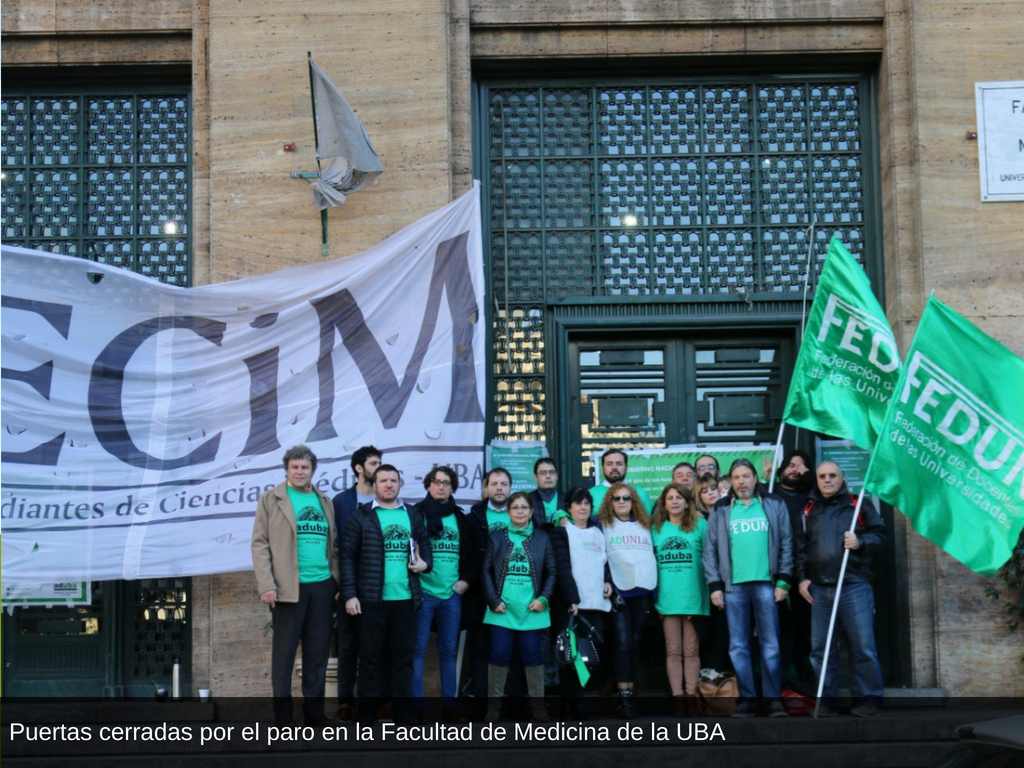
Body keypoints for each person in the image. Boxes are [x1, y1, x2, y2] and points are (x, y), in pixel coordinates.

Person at [251, 445, 339, 727]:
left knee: (317, 653)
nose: (300, 471)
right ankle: (284, 717)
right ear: (287, 470)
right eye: (294, 467)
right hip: (289, 588)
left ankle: (314, 715)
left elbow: (333, 545)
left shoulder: (324, 500)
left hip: (322, 587)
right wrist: (267, 584)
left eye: (305, 467)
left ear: (313, 470)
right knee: (284, 656)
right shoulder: (271, 499)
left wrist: (334, 580)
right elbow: (260, 544)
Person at [341, 464, 432, 724]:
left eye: (393, 480)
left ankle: (402, 715)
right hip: (371, 601)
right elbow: (347, 557)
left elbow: (424, 544)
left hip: (406, 600)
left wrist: (426, 564)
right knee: (369, 659)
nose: (389, 485)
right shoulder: (362, 516)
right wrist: (350, 594)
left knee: (403, 660)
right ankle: (367, 716)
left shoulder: (412, 514)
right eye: (383, 481)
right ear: (375, 485)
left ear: (400, 484)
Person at [703, 458, 793, 718]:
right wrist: (715, 586)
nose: (741, 481)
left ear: (755, 478)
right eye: (736, 477)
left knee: (771, 645)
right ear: (730, 481)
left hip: (767, 584)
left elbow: (787, 542)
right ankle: (748, 700)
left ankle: (774, 700)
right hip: (733, 588)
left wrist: (784, 580)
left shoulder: (774, 504)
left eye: (746, 476)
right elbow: (710, 551)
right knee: (738, 646)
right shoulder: (721, 509)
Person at [797, 461, 887, 718]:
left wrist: (861, 541)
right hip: (820, 590)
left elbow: (881, 536)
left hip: (854, 586)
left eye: (832, 475)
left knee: (863, 648)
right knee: (821, 651)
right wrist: (802, 578)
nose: (827, 480)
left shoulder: (857, 504)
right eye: (822, 476)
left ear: (842, 478)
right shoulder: (808, 508)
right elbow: (801, 548)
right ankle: (826, 702)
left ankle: (868, 701)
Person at [482, 491, 556, 722]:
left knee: (533, 657)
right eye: (516, 508)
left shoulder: (542, 538)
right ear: (508, 511)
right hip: (501, 610)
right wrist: (493, 600)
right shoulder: (496, 537)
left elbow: (552, 571)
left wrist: (543, 599)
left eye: (525, 508)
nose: (520, 512)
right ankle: (493, 710)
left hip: (531, 609)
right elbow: (485, 570)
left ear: (532, 512)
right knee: (499, 655)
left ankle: (538, 708)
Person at [413, 465, 472, 722]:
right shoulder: (416, 513)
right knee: (417, 651)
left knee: (448, 653)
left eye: (446, 482)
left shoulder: (460, 517)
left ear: (452, 487)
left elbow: (471, 555)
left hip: (451, 596)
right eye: (436, 481)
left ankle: (449, 708)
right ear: (428, 485)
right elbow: (408, 549)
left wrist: (465, 582)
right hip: (424, 593)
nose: (441, 486)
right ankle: (417, 709)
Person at [548, 487, 612, 720]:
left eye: (587, 503)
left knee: (587, 658)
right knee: (568, 658)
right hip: (571, 606)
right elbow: (562, 569)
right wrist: (571, 599)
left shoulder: (599, 532)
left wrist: (608, 581)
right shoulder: (560, 532)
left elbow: (603, 564)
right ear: (568, 508)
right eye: (578, 503)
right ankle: (568, 705)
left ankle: (579, 702)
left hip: (595, 605)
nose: (583, 507)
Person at [330, 445, 382, 721]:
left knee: (377, 647)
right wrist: (340, 586)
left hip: (379, 589)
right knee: (348, 647)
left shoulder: (387, 500)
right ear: (359, 469)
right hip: (348, 588)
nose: (378, 467)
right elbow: (335, 548)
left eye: (380, 463)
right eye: (374, 463)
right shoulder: (341, 502)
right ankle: (345, 702)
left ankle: (375, 702)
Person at [597, 482, 657, 719]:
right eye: (616, 498)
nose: (622, 502)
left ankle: (631, 691)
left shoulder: (646, 524)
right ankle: (623, 698)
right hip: (618, 592)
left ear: (634, 502)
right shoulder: (601, 525)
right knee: (622, 643)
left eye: (626, 498)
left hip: (643, 591)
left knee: (634, 642)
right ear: (609, 502)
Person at [651, 483, 709, 717]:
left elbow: (711, 558)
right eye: (670, 498)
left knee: (691, 652)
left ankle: (692, 697)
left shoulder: (700, 525)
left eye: (679, 498)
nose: (674, 502)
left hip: (694, 598)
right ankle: (677, 699)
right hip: (667, 600)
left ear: (687, 502)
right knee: (673, 652)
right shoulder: (655, 529)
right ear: (664, 503)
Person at [465, 467, 515, 718]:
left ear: (510, 488)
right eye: (494, 483)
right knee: (482, 652)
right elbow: (469, 557)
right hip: (481, 596)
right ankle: (482, 707)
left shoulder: (521, 514)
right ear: (485, 488)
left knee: (510, 653)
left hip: (516, 597)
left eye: (503, 484)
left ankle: (511, 707)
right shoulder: (473, 517)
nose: (498, 488)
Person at [774, 448, 815, 690]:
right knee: (780, 629)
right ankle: (780, 681)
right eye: (791, 464)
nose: (795, 469)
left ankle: (807, 682)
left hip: (805, 571)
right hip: (774, 571)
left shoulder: (811, 496)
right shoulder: (769, 493)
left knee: (805, 629)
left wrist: (808, 475)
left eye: (801, 466)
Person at [691, 474, 730, 673]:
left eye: (712, 489)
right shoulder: (696, 520)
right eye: (704, 491)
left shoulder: (728, 512)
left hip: (727, 582)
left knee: (726, 634)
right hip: (704, 584)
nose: (710, 493)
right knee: (710, 635)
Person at [589, 448, 653, 512]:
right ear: (603, 468)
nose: (614, 467)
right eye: (609, 464)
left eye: (619, 464)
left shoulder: (640, 493)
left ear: (626, 468)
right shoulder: (591, 495)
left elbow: (648, 521)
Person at [529, 457, 563, 526]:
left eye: (551, 472)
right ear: (535, 477)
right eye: (543, 473)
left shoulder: (567, 499)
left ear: (556, 476)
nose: (548, 476)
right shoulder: (528, 500)